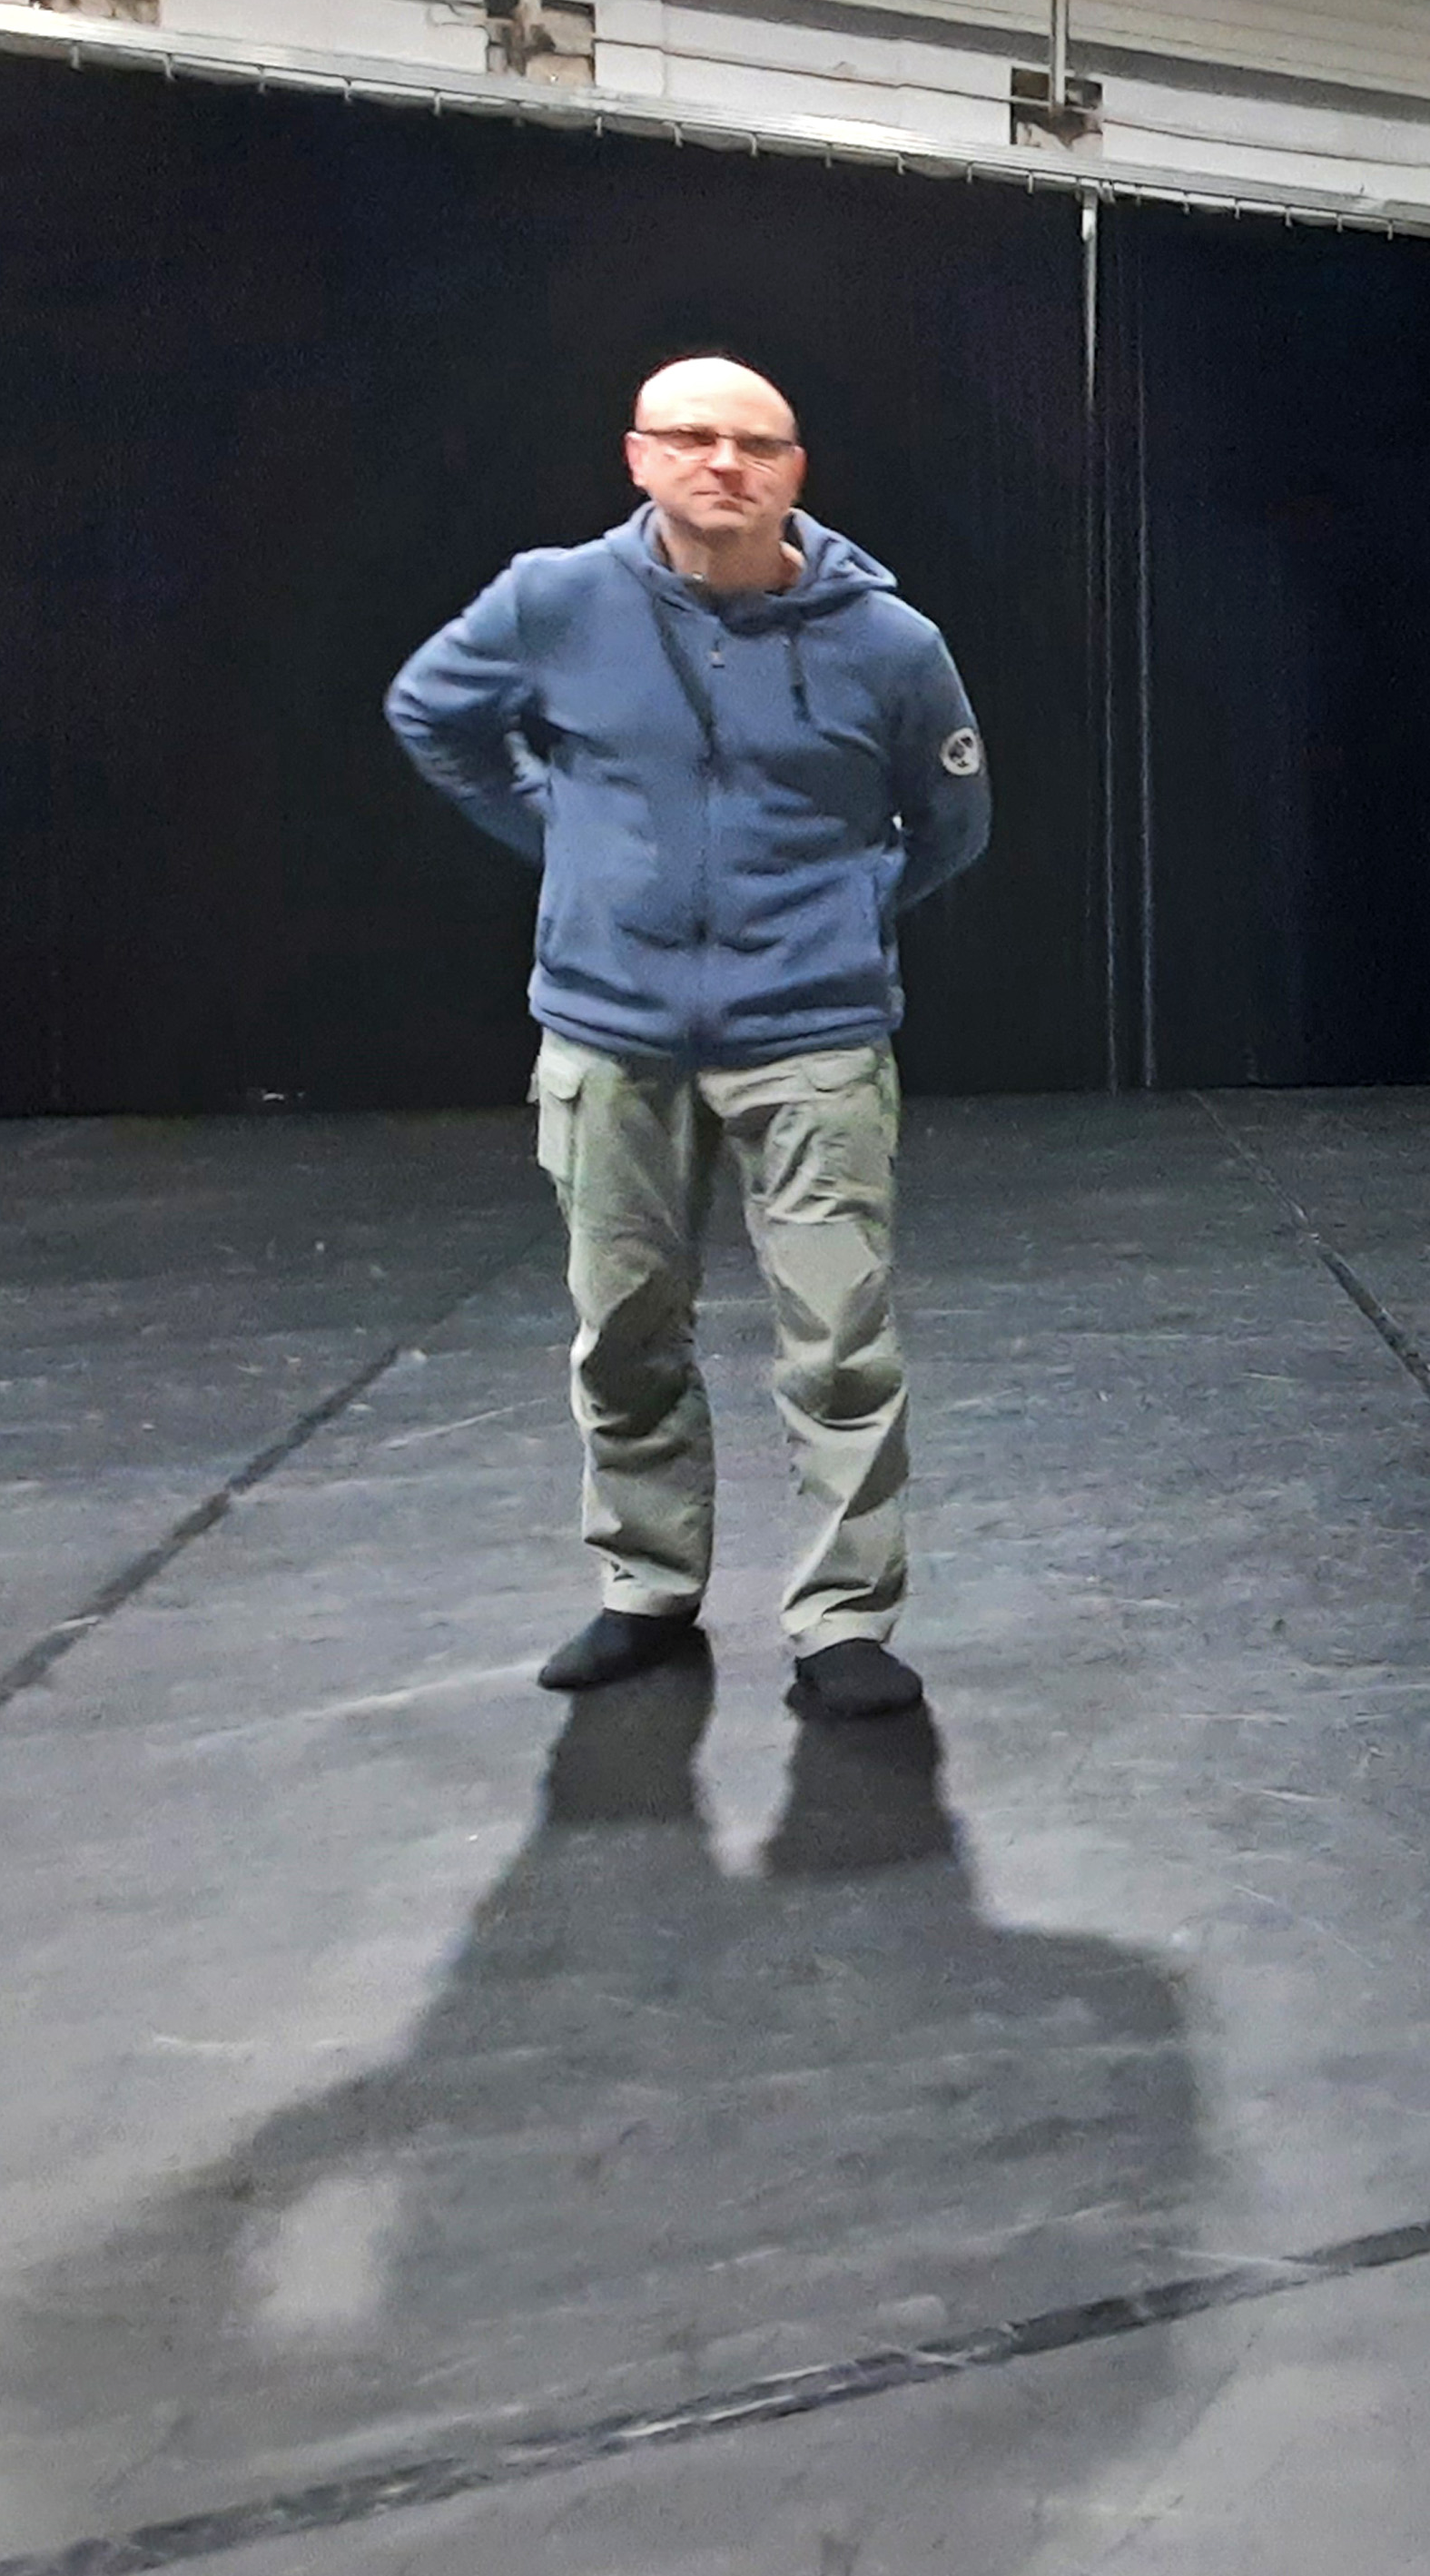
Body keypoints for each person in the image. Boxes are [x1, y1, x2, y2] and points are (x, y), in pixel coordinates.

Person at [388, 355, 991, 1721]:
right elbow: (433, 714)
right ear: (639, 457)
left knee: (840, 1339)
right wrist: (565, 843)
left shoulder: (891, 641)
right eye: (693, 437)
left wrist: (845, 911)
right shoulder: (555, 600)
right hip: (612, 1032)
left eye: (757, 444)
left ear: (796, 471)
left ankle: (844, 1619)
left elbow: (952, 819)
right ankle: (645, 1587)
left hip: (813, 1036)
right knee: (623, 1329)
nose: (725, 463)